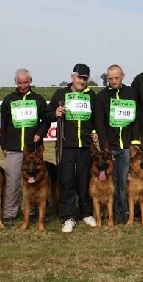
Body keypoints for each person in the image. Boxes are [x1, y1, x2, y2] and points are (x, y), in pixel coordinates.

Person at [46, 63, 105, 232]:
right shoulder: (61, 94)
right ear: (73, 76)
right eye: (80, 77)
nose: (82, 81)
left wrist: (96, 133)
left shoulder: (92, 96)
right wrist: (55, 113)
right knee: (66, 180)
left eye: (85, 78)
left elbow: (97, 120)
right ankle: (68, 217)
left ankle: (86, 213)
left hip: (86, 146)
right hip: (66, 145)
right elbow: (47, 114)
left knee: (84, 180)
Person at [0, 69, 49, 227]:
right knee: (12, 182)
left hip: (32, 149)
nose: (22, 86)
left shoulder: (38, 99)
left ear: (30, 81)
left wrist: (40, 133)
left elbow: (46, 120)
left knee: (33, 183)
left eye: (25, 82)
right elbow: (4, 124)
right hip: (13, 148)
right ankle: (8, 213)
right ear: (15, 82)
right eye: (19, 83)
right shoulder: (9, 100)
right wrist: (4, 145)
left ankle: (30, 212)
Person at [95, 64, 140, 225]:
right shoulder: (101, 96)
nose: (114, 81)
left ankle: (124, 212)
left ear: (122, 76)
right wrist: (105, 145)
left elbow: (135, 120)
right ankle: (112, 213)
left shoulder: (131, 93)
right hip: (110, 148)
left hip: (126, 146)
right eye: (110, 78)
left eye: (116, 77)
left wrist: (135, 142)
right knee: (111, 183)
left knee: (123, 182)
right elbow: (100, 123)